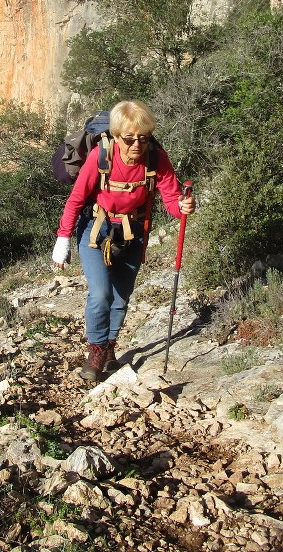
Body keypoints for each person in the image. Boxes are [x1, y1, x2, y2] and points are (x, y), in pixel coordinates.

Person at [52, 100, 196, 381]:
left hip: (133, 232)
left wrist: (183, 207)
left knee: (121, 296)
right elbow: (76, 199)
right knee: (101, 293)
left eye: (143, 138)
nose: (136, 146)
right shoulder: (100, 156)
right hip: (97, 228)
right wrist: (63, 239)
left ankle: (109, 348)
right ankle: (95, 350)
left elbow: (171, 201)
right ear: (117, 136)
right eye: (129, 139)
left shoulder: (157, 158)